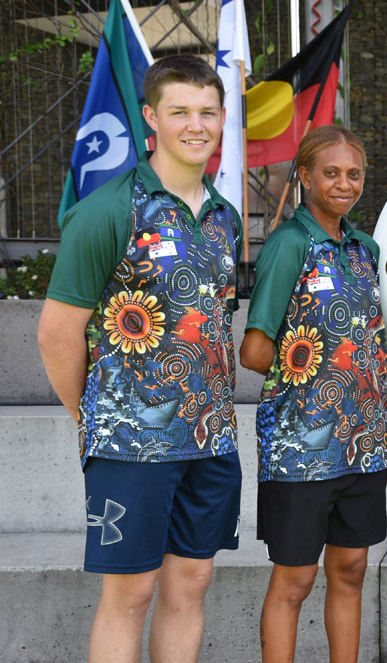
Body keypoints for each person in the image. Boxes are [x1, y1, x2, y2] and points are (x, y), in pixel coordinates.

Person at [37, 55, 241, 662]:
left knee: (192, 584)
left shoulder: (226, 218)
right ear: (151, 117)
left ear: (224, 118)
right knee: (130, 593)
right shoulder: (106, 211)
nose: (195, 125)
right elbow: (56, 333)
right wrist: (93, 417)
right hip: (130, 444)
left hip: (209, 440)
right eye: (180, 111)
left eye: (207, 112)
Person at [240, 125, 387, 663]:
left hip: (365, 444)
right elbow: (254, 352)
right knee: (296, 579)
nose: (344, 183)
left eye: (353, 174)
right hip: (300, 450)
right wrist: (318, 369)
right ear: (303, 176)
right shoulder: (289, 244)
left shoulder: (365, 248)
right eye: (330, 173)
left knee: (350, 571)